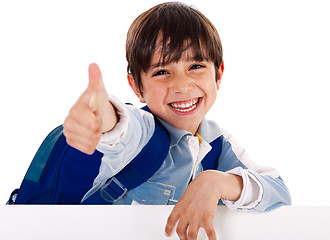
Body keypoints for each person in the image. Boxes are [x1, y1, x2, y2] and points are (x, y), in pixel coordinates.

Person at [63, 2, 291, 239]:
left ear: (218, 75)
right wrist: (99, 113)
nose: (182, 86)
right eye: (162, 72)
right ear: (136, 86)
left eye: (196, 66)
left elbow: (279, 193)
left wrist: (218, 182)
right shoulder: (143, 131)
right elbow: (120, 129)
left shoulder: (217, 142)